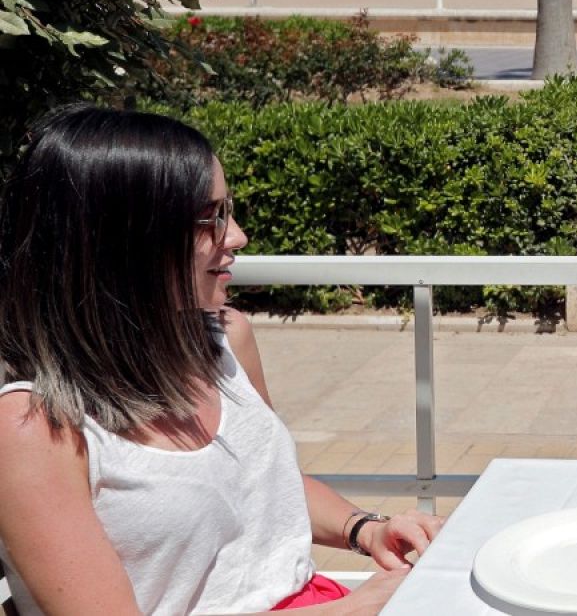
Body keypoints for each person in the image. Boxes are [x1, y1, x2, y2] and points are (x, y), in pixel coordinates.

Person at [0, 105, 444, 615]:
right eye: (210, 218)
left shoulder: (225, 339)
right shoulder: (35, 428)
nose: (236, 236)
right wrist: (351, 609)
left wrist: (366, 530)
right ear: (121, 243)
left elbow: (265, 480)